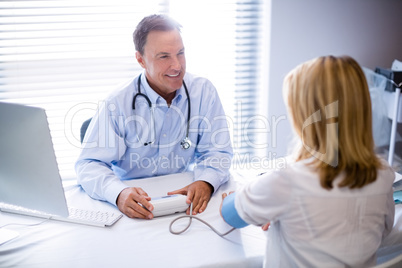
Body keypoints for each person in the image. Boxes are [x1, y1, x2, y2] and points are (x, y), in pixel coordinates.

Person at [220, 55, 395, 267]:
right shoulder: (383, 174)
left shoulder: (288, 180)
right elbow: (383, 231)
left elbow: (232, 215)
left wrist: (249, 194)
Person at [75, 14, 233, 219]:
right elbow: (88, 165)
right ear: (140, 59)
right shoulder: (117, 103)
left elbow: (218, 152)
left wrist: (206, 182)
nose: (177, 66)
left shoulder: (203, 92)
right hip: (134, 203)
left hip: (182, 203)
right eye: (164, 56)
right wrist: (118, 193)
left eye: (181, 53)